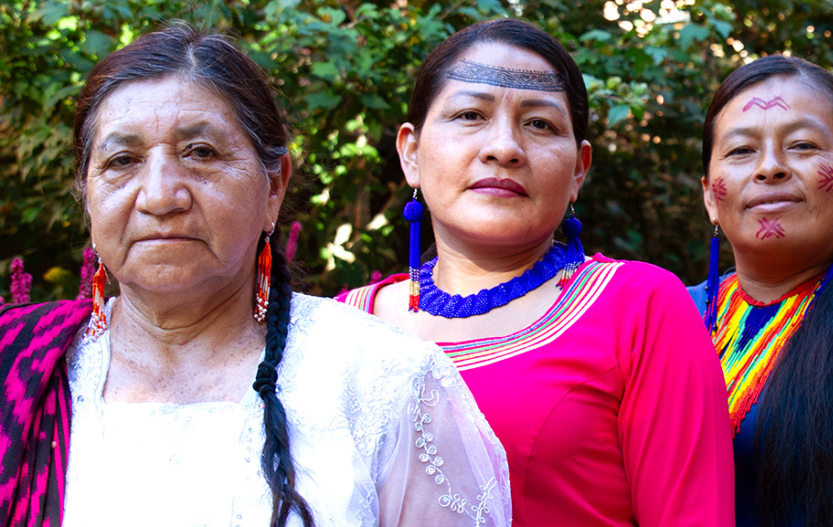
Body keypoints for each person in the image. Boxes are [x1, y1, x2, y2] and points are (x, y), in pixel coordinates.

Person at [0, 25, 511, 527]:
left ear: (273, 187)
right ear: (87, 195)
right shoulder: (22, 372)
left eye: (200, 153)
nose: (158, 196)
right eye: (122, 160)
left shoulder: (383, 380)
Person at [337, 18, 734, 527]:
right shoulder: (343, 325)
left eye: (540, 124)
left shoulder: (639, 307)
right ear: (411, 153)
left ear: (578, 171)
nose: (504, 147)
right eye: (469, 115)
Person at [692, 55, 833, 526]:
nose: (770, 168)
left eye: (802, 144)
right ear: (711, 195)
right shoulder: (665, 317)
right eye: (740, 151)